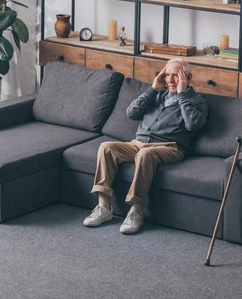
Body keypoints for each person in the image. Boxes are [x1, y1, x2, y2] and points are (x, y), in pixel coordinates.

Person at [83, 58, 208, 234]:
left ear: (188, 77)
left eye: (176, 76)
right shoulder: (157, 94)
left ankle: (136, 211)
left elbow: (192, 125)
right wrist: (152, 89)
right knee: (106, 147)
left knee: (145, 155)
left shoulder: (197, 101)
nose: (170, 80)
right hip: (138, 143)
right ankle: (103, 207)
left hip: (170, 147)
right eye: (168, 75)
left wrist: (182, 96)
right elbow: (131, 113)